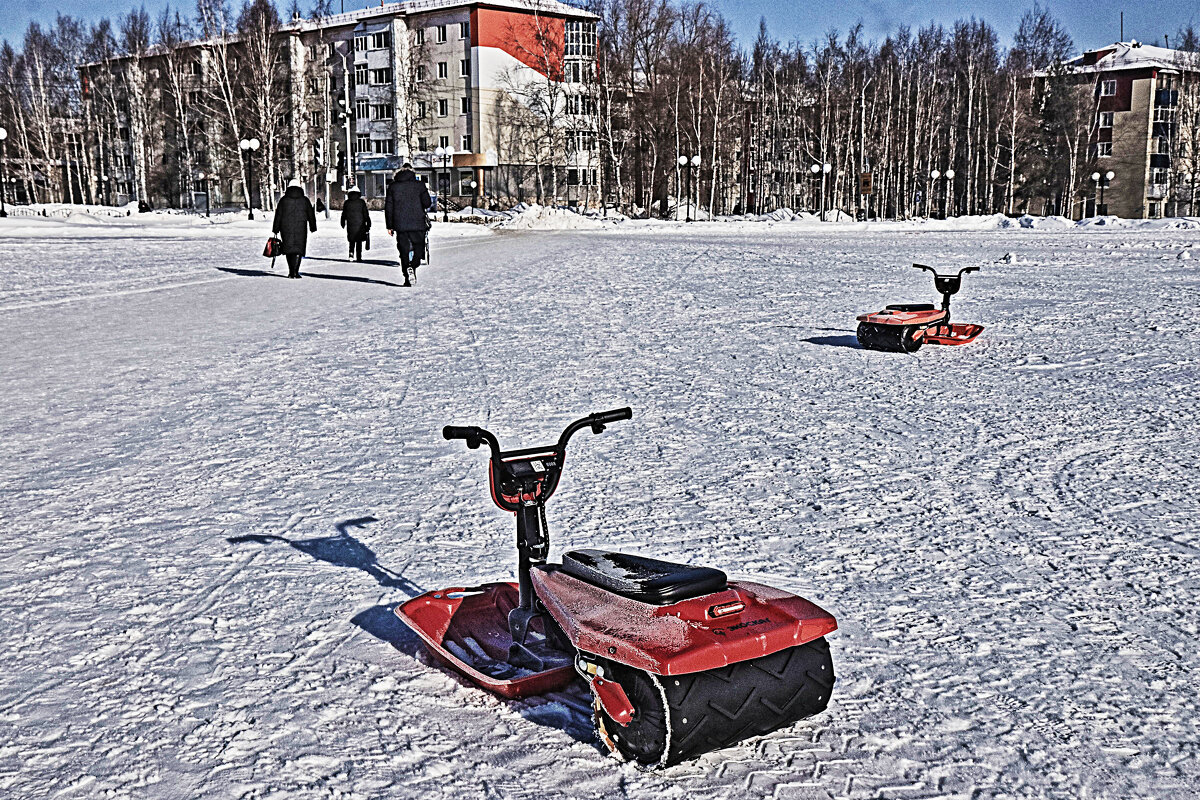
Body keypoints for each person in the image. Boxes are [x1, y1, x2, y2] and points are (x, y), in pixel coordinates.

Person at [384, 165, 432, 287]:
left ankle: (407, 278)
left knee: (404, 251)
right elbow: (427, 203)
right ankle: (413, 265)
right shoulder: (419, 185)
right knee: (418, 248)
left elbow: (389, 207)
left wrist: (389, 226)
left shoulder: (393, 187)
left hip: (400, 225)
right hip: (418, 223)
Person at [273, 179, 317, 279]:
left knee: (289, 249)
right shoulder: (304, 200)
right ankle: (296, 272)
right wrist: (312, 226)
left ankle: (290, 272)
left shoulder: (283, 200)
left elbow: (278, 215)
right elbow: (310, 214)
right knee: (298, 249)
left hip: (286, 228)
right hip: (300, 228)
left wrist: (276, 228)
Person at [340, 186, 371, 262]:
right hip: (360, 224)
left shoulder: (347, 202)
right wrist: (368, 222)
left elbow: (344, 214)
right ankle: (359, 256)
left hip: (350, 224)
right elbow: (365, 213)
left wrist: (343, 222)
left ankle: (351, 254)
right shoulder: (361, 202)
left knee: (352, 240)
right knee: (359, 241)